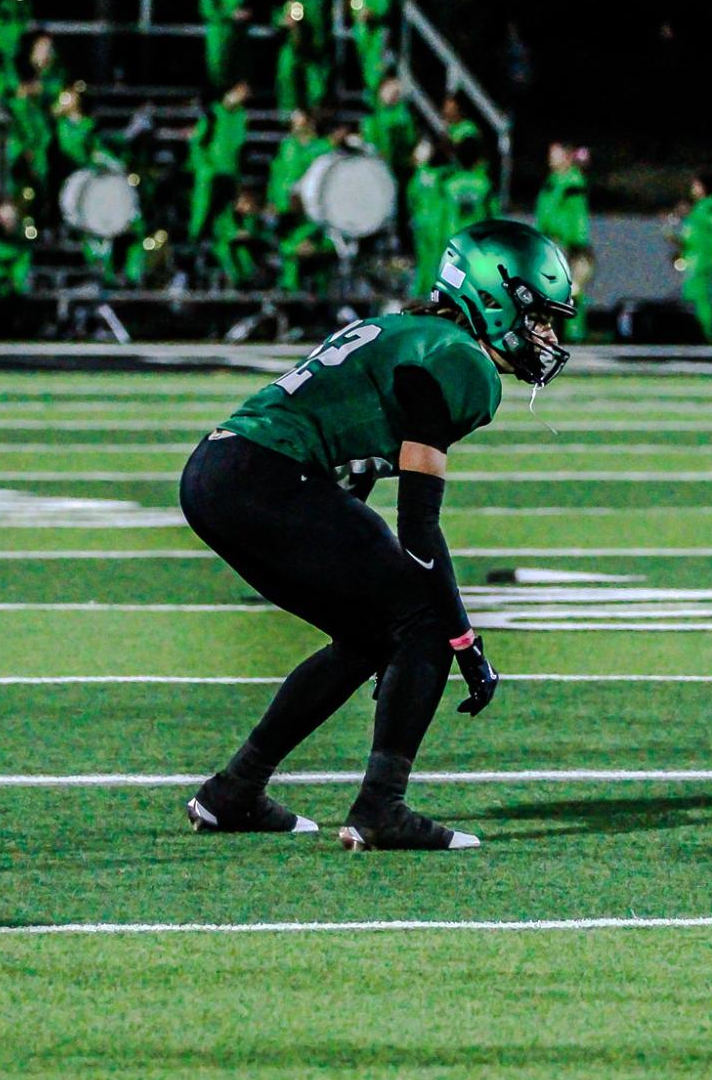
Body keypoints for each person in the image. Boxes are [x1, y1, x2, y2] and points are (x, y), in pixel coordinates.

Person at [178, 218, 575, 851]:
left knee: (369, 634)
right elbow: (418, 530)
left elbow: (352, 475)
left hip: (219, 470)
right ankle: (381, 807)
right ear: (496, 300)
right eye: (541, 318)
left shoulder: (404, 330)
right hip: (266, 476)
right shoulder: (460, 361)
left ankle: (233, 792)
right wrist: (464, 639)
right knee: (422, 619)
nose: (550, 337)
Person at [535, 141, 593, 341]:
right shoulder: (553, 181)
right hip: (551, 242)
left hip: (566, 244)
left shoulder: (572, 183)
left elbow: (577, 216)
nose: (551, 159)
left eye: (556, 154)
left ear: (567, 157)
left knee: (572, 290)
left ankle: (573, 333)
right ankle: (555, 332)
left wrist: (576, 243)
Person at [187, 81, 250, 241]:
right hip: (210, 175)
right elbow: (197, 143)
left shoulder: (241, 117)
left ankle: (219, 239)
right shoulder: (213, 114)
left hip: (230, 173)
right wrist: (205, 167)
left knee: (226, 211)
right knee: (203, 211)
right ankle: (195, 239)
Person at [672, 169, 712, 340]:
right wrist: (677, 242)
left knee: (700, 298)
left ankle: (704, 333)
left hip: (701, 260)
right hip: (693, 259)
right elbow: (693, 235)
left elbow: (711, 231)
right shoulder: (701, 207)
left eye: (696, 185)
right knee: (692, 297)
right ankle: (694, 332)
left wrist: (689, 215)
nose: (693, 189)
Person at [273, 0, 329, 115]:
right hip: (293, 50)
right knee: (288, 83)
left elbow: (322, 28)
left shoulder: (319, 1)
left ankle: (315, 120)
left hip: (314, 53)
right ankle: (292, 121)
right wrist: (284, 22)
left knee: (316, 90)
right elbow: (277, 21)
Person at [406, 138, 448, 295]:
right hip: (437, 225)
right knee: (436, 262)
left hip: (420, 222)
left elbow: (411, 196)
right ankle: (433, 293)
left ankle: (417, 293)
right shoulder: (445, 175)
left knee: (422, 261)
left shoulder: (420, 174)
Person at [198, 0, 251, 93]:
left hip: (235, 42)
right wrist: (230, 14)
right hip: (218, 41)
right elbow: (207, 10)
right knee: (217, 77)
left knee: (231, 80)